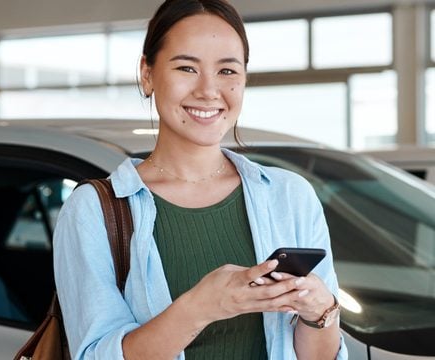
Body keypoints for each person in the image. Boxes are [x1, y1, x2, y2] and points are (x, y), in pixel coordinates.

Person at [53, 0, 348, 359]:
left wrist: (320, 311)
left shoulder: (291, 197)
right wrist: (201, 307)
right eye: (186, 68)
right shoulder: (94, 211)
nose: (209, 91)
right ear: (147, 74)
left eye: (227, 71)